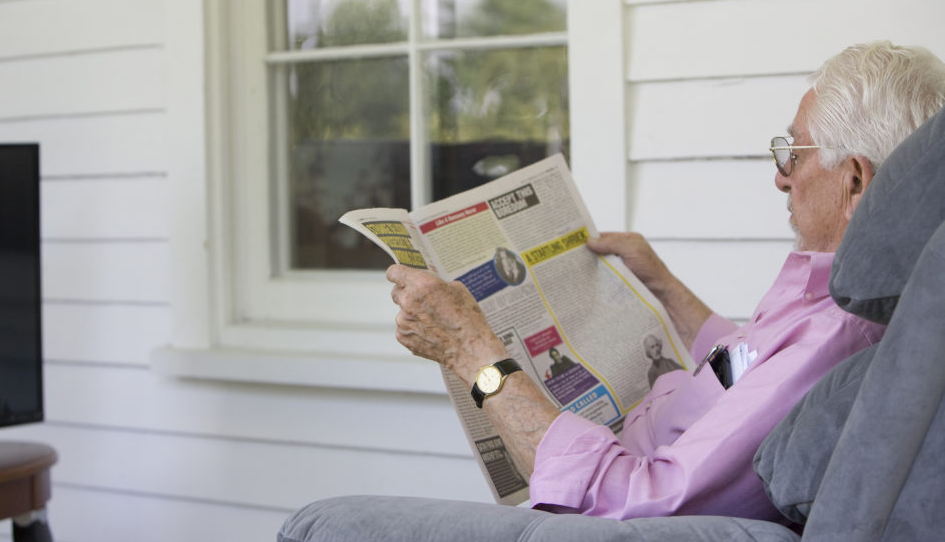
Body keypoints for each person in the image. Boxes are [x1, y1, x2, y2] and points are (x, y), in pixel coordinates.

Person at [386, 41, 945, 522]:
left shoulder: (836, 337)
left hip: (596, 484)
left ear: (854, 182)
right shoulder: (828, 300)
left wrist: (472, 352)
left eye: (792, 154)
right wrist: (665, 286)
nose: (780, 177)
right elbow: (748, 368)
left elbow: (642, 502)